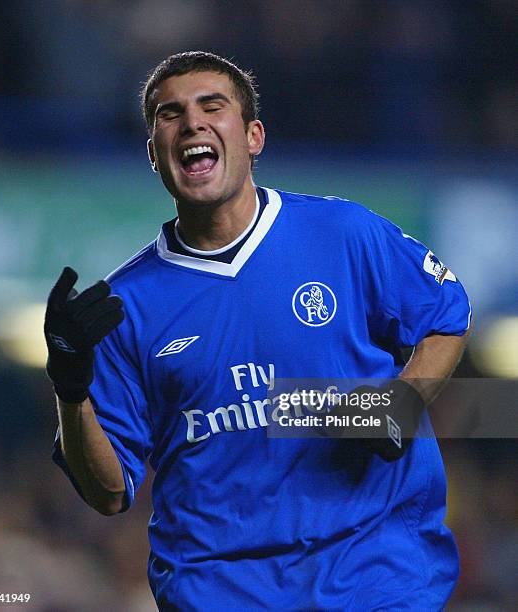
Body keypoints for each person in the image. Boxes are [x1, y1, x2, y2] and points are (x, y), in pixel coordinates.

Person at [46, 51, 472, 610]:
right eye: (171, 115)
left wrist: (404, 399)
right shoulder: (128, 305)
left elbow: (445, 313)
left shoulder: (343, 233)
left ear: (253, 137)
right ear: (155, 155)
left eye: (211, 106)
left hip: (374, 575)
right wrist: (71, 391)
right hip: (219, 591)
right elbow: (106, 493)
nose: (192, 123)